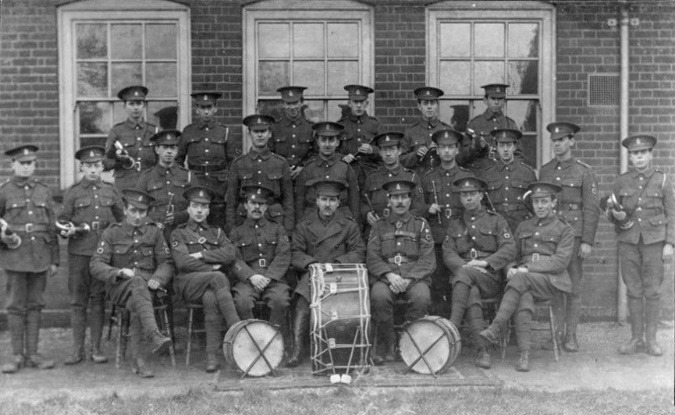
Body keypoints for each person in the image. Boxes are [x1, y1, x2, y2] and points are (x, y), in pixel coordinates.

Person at [479, 182, 575, 372]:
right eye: (536, 201)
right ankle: (524, 355)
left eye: (544, 201)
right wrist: (510, 268)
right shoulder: (524, 226)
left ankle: (495, 329)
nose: (539, 206)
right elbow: (512, 254)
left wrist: (526, 268)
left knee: (521, 280)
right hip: (524, 282)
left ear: (553, 203)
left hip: (552, 282)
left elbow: (560, 262)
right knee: (523, 297)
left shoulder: (565, 229)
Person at [90, 188, 173, 378]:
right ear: (125, 210)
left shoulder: (154, 232)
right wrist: (117, 271)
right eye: (133, 211)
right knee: (136, 283)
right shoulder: (112, 233)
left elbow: (166, 263)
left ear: (147, 212)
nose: (137, 216)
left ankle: (139, 360)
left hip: (149, 289)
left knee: (137, 300)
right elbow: (96, 264)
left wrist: (157, 279)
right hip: (120, 288)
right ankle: (154, 335)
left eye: (142, 212)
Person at [606, 135, 674, 356]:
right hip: (629, 242)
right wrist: (614, 215)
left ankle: (652, 340)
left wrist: (670, 243)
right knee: (634, 290)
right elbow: (612, 213)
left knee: (652, 290)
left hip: (654, 242)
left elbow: (672, 214)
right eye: (636, 154)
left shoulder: (663, 180)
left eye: (644, 152)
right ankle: (636, 338)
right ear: (630, 157)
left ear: (651, 154)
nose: (640, 157)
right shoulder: (621, 181)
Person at [287, 179, 366, 367]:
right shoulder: (304, 225)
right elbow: (295, 252)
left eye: (332, 200)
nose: (328, 204)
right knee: (302, 303)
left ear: (339, 202)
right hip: (314, 274)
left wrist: (339, 263)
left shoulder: (349, 225)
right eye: (324, 199)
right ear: (316, 201)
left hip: (341, 274)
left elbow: (359, 251)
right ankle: (298, 349)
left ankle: (348, 350)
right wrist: (312, 264)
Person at [59, 145, 125, 365]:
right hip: (78, 252)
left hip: (102, 255)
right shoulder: (73, 192)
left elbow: (121, 220)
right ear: (82, 168)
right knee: (78, 302)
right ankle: (76, 350)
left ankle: (96, 349)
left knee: (98, 300)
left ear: (102, 167)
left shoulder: (111, 190)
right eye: (89, 166)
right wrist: (66, 229)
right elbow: (61, 220)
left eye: (97, 165)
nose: (93, 170)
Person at [442, 177, 516, 369]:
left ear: (481, 195)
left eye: (472, 194)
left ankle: (452, 329)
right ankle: (483, 350)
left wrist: (484, 263)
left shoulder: (496, 220)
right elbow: (448, 253)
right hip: (465, 279)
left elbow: (509, 249)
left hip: (489, 277)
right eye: (464, 195)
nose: (468, 199)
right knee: (470, 291)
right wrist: (465, 269)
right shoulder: (455, 224)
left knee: (467, 278)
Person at [539, 122, 600, 352]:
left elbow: (592, 209)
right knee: (555, 284)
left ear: (571, 142)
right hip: (552, 236)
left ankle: (571, 335)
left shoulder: (584, 171)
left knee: (574, 285)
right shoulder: (545, 171)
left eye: (562, 140)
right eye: (554, 141)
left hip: (574, 236)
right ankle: (555, 334)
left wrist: (587, 241)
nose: (558, 144)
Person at [0, 145, 59, 373]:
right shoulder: (4, 191)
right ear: (13, 164)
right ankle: (16, 356)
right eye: (22, 163)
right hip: (15, 256)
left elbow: (51, 228)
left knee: (35, 305)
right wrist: (4, 239)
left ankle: (33, 354)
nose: (26, 167)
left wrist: (55, 259)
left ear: (35, 165)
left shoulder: (43, 191)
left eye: (30, 163)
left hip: (40, 256)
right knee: (15, 306)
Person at [170, 186, 241, 372]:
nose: (199, 210)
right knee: (218, 276)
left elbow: (231, 253)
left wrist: (202, 254)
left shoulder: (216, 233)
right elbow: (182, 263)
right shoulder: (179, 233)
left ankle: (212, 357)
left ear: (209, 210)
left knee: (211, 298)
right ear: (188, 209)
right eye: (195, 206)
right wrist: (211, 267)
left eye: (203, 206)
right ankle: (239, 333)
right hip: (188, 283)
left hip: (212, 286)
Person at [367, 179, 435, 365]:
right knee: (379, 297)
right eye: (395, 197)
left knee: (422, 298)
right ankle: (389, 343)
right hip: (387, 277)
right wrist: (390, 275)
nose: (400, 201)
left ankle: (409, 341)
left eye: (404, 197)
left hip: (414, 278)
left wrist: (409, 279)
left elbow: (428, 259)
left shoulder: (420, 225)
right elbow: (372, 257)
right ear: (388, 200)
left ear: (410, 200)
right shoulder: (379, 226)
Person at [421, 129, 474, 315]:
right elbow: (418, 207)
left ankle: (458, 326)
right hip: (436, 239)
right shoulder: (428, 177)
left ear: (457, 150)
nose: (447, 152)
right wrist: (428, 207)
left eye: (451, 147)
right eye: (443, 147)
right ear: (437, 150)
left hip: (461, 240)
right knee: (437, 284)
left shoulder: (466, 177)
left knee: (460, 282)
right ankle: (441, 327)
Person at [230, 184, 291, 329]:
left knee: (280, 300)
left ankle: (275, 340)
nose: (257, 207)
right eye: (253, 203)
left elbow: (284, 254)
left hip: (274, 279)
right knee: (242, 301)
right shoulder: (236, 231)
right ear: (246, 205)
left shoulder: (277, 228)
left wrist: (269, 276)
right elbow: (234, 259)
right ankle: (252, 338)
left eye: (261, 204)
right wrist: (251, 276)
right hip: (247, 280)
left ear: (266, 207)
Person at [226, 114, 294, 233]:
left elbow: (288, 200)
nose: (259, 135)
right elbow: (232, 201)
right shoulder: (239, 163)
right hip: (244, 220)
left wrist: (287, 231)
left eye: (263, 131)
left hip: (274, 219)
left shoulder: (280, 163)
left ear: (270, 134)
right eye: (255, 131)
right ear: (249, 134)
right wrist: (232, 229)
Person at [177, 91, 230, 229]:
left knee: (217, 222)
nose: (206, 111)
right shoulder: (188, 131)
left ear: (215, 109)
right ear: (197, 109)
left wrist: (229, 187)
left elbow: (233, 163)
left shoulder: (225, 132)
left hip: (219, 186)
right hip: (195, 183)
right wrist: (185, 181)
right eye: (202, 108)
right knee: (194, 223)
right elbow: (178, 160)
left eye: (209, 107)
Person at [361, 132, 426, 236]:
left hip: (404, 233)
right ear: (380, 152)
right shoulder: (372, 177)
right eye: (384, 150)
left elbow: (418, 208)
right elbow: (364, 202)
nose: (388, 153)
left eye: (392, 149)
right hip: (377, 233)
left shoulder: (411, 177)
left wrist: (400, 222)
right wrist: (367, 213)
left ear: (399, 151)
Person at [295, 122, 360, 223]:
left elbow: (354, 201)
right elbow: (299, 201)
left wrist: (355, 225)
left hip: (341, 220)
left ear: (337, 142)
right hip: (313, 221)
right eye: (323, 140)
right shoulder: (308, 169)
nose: (327, 144)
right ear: (317, 141)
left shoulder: (346, 168)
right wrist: (300, 224)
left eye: (331, 140)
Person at [137, 130, 193, 242]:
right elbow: (136, 208)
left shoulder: (188, 176)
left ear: (177, 150)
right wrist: (151, 224)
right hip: (153, 235)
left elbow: (198, 206)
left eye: (172, 148)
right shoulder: (145, 177)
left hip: (183, 234)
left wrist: (179, 216)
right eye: (165, 147)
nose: (169, 152)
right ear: (157, 149)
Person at [481, 129, 537, 234]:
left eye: (509, 145)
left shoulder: (527, 173)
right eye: (501, 146)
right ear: (497, 148)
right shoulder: (488, 174)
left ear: (515, 147)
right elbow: (482, 204)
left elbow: (534, 203)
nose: (505, 150)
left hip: (520, 226)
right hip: (495, 227)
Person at [104, 85, 159, 191]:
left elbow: (160, 161)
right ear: (124, 106)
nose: (136, 107)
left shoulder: (153, 130)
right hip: (125, 186)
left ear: (144, 106)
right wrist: (119, 161)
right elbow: (105, 163)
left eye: (139, 103)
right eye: (131, 104)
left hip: (149, 185)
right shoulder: (116, 131)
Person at [461, 83, 522, 175]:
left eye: (500, 99)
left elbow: (518, 155)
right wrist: (474, 147)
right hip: (480, 175)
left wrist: (511, 172)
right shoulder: (474, 124)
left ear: (504, 100)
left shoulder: (510, 124)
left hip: (503, 175)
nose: (496, 102)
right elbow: (463, 156)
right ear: (485, 100)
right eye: (493, 99)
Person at [337, 84, 382, 182]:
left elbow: (386, 151)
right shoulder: (341, 125)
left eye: (361, 102)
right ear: (349, 103)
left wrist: (372, 150)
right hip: (347, 173)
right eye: (355, 102)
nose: (358, 105)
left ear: (367, 103)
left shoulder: (375, 124)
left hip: (371, 175)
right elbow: (332, 152)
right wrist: (342, 157)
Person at [400, 87, 450, 173]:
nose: (429, 107)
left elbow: (458, 158)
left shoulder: (446, 130)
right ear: (419, 106)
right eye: (425, 103)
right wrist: (415, 155)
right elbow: (400, 160)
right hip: (418, 180)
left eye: (432, 103)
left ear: (437, 106)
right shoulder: (411, 131)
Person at [270, 86, 315, 179]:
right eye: (288, 104)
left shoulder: (311, 127)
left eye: (295, 103)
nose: (292, 107)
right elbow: (269, 152)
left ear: (301, 103)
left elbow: (316, 152)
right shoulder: (274, 127)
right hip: (280, 176)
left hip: (305, 175)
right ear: (283, 104)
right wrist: (282, 167)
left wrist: (303, 166)